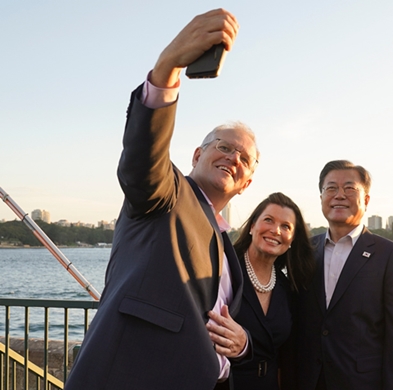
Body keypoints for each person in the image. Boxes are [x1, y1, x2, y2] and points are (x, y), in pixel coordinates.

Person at [66, 9, 255, 390]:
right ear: (197, 156)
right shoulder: (166, 194)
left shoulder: (227, 245)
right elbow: (143, 159)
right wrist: (167, 70)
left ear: (246, 184)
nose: (233, 158)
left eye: (244, 158)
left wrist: (243, 343)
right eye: (224, 146)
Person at [293, 160, 393, 390]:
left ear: (366, 200)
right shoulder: (305, 250)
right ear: (321, 198)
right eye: (331, 188)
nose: (339, 195)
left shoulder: (389, 255)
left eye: (349, 188)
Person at [218, 192, 315, 389]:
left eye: (285, 227)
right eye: (268, 220)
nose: (275, 231)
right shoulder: (224, 268)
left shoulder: (287, 287)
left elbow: (284, 357)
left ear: (292, 239)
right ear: (253, 226)